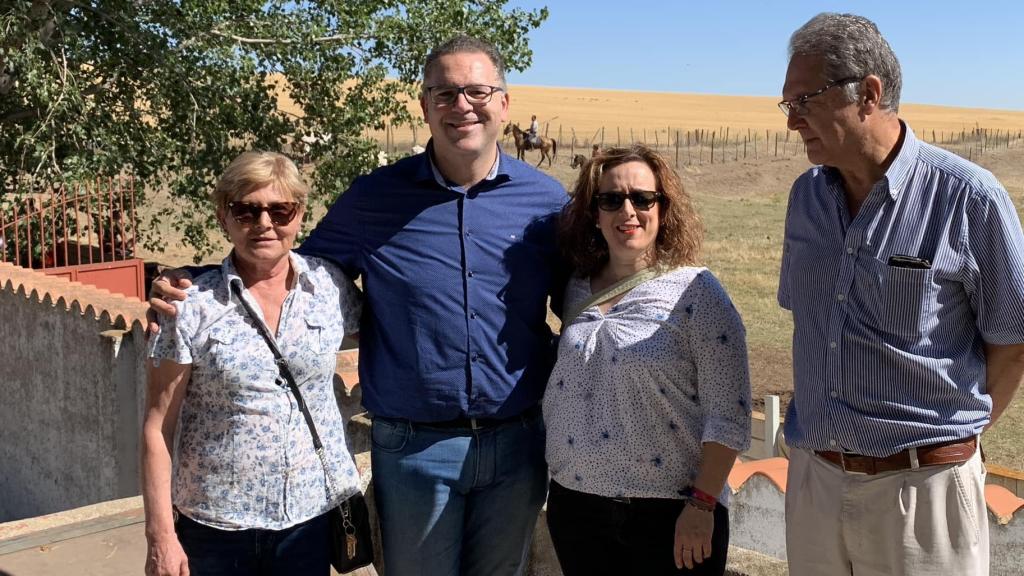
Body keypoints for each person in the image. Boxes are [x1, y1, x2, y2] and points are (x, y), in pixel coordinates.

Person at [149, 36, 567, 576]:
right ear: (424, 106)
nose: (462, 105)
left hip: (518, 444)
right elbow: (284, 261)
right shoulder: (374, 199)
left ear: (504, 104)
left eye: (478, 91)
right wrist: (198, 281)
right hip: (415, 450)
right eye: (444, 94)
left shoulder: (548, 201)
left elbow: (585, 296)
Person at [777, 13, 1024, 576]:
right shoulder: (805, 200)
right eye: (786, 104)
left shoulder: (969, 198)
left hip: (923, 495)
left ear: (868, 93)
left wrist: (951, 447)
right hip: (815, 484)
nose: (792, 122)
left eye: (805, 100)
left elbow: (1012, 344)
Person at [141, 151, 363, 576]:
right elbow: (157, 426)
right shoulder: (188, 305)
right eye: (246, 210)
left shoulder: (330, 287)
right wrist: (161, 537)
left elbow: (389, 334)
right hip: (216, 524)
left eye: (281, 210)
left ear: (299, 215)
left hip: (309, 518)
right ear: (223, 216)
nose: (265, 223)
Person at [543, 143, 751, 576]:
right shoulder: (576, 288)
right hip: (577, 508)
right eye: (611, 199)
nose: (628, 211)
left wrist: (703, 505)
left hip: (670, 514)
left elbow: (728, 414)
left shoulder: (697, 292)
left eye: (642, 198)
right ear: (594, 213)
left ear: (663, 207)